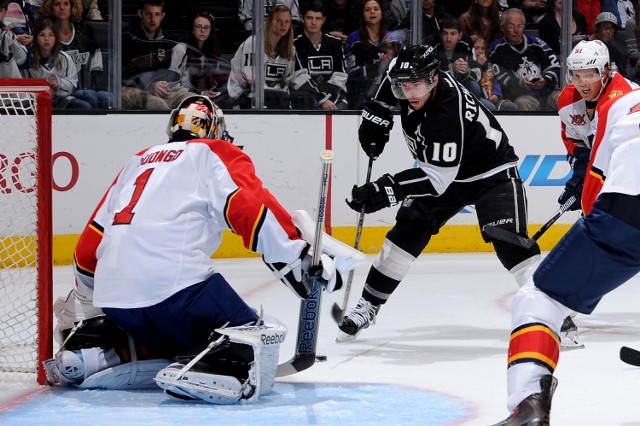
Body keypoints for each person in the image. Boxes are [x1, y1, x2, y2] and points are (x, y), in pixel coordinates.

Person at [44, 95, 363, 403]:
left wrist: (96, 303)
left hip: (114, 298)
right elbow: (250, 208)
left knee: (171, 336)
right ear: (215, 131)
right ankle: (215, 367)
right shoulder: (215, 151)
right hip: (174, 290)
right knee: (252, 336)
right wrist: (299, 253)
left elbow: (88, 248)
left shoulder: (138, 160)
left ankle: (101, 352)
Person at [337, 44, 542, 340]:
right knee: (408, 229)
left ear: (434, 79)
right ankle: (367, 306)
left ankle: (553, 310)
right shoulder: (408, 79)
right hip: (447, 173)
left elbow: (436, 180)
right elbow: (393, 72)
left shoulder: (446, 109)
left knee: (509, 241)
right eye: (403, 87)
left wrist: (383, 190)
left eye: (416, 85)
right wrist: (378, 111)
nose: (410, 94)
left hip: (491, 173)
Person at [490, 80, 640, 426]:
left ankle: (529, 405)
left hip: (628, 211)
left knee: (540, 297)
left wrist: (587, 214)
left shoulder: (620, 104)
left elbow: (596, 178)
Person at [228, 3, 320, 109]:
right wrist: (280, 94)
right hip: (245, 96)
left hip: (277, 98)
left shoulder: (290, 49)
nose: (283, 25)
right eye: (279, 21)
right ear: (270, 22)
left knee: (307, 98)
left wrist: (321, 98)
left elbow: (297, 76)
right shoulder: (253, 44)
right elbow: (251, 81)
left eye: (287, 22)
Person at [121, 0, 194, 110]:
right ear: (140, 14)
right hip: (128, 89)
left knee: (194, 100)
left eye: (157, 14)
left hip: (156, 91)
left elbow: (165, 73)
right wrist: (149, 85)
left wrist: (163, 85)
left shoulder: (167, 42)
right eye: (148, 14)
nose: (152, 19)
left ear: (162, 16)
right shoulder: (128, 37)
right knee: (157, 104)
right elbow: (124, 74)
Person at [40, 0, 110, 109]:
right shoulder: (47, 36)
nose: (62, 8)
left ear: (73, 7)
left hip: (87, 89)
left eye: (66, 4)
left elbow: (97, 65)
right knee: (90, 99)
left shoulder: (85, 31)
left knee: (106, 98)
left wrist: (96, 87)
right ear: (50, 8)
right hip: (62, 91)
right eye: (57, 4)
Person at [488, 8, 561, 111]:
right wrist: (521, 83)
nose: (516, 31)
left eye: (520, 26)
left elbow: (555, 66)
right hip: (522, 96)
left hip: (546, 92)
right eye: (511, 26)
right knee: (523, 103)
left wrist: (546, 79)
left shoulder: (536, 43)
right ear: (503, 27)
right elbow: (498, 75)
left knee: (561, 98)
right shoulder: (497, 48)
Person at [21, 18, 91, 109]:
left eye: (51, 35)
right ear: (36, 38)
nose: (47, 39)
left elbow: (72, 85)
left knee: (85, 107)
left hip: (61, 99)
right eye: (42, 35)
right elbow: (23, 88)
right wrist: (43, 87)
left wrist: (59, 83)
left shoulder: (65, 58)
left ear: (56, 38)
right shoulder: (28, 59)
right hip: (36, 102)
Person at [344, 0, 403, 109]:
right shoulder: (354, 39)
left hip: (388, 92)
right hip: (361, 95)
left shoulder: (393, 39)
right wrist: (377, 67)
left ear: (381, 13)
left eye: (376, 9)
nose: (372, 12)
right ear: (362, 14)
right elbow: (351, 73)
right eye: (367, 10)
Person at [168, 12, 233, 109]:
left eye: (206, 27)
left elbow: (214, 80)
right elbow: (172, 84)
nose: (203, 30)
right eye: (198, 26)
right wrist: (199, 93)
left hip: (205, 95)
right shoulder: (181, 49)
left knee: (228, 100)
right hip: (184, 95)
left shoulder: (212, 52)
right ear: (192, 30)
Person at [295, 0, 349, 110]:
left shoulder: (335, 43)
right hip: (307, 99)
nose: (314, 22)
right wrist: (322, 99)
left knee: (341, 108)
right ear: (302, 18)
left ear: (323, 20)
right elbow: (299, 77)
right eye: (309, 18)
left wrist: (328, 98)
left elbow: (340, 75)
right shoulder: (295, 44)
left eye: (318, 18)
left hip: (334, 98)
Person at [470, 34, 518, 111]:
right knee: (491, 107)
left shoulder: (488, 66)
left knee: (511, 107)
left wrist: (496, 95)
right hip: (477, 99)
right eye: (476, 48)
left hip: (492, 99)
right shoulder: (466, 65)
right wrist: (478, 65)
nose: (480, 51)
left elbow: (494, 83)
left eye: (482, 48)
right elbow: (474, 85)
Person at [590, 11, 629, 76]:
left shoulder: (614, 51)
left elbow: (622, 74)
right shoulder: (585, 45)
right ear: (597, 28)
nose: (608, 31)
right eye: (604, 27)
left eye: (611, 28)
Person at [0, 0, 28, 78]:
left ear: (5, 12)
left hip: (11, 84)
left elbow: (22, 60)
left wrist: (11, 38)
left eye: (0, 11)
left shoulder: (9, 33)